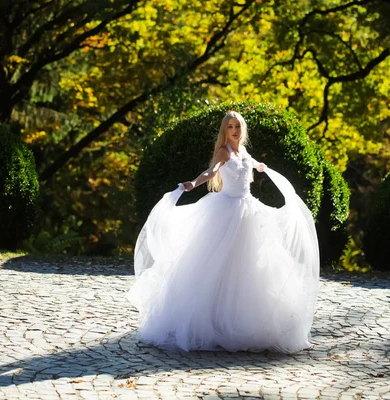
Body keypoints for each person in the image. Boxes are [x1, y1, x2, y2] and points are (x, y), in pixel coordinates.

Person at [127, 111, 320, 353]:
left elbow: (250, 163)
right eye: (230, 127)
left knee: (252, 265)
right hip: (226, 210)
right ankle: (216, 322)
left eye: (238, 126)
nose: (235, 130)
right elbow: (212, 171)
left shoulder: (243, 151)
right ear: (224, 131)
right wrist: (193, 183)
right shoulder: (224, 152)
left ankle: (250, 321)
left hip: (249, 210)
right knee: (218, 266)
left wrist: (259, 166)